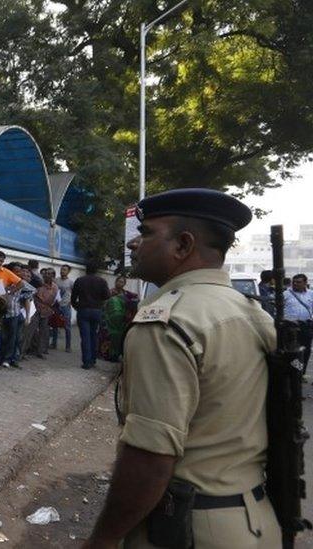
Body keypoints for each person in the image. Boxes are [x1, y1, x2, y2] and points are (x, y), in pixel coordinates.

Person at [84, 188, 280, 549]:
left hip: (187, 530)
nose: (133, 245)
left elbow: (149, 460)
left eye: (146, 234)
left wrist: (103, 539)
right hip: (256, 522)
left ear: (182, 245)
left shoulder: (165, 323)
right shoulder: (250, 310)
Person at [71, 263, 110, 369]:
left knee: (85, 337)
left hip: (83, 310)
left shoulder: (79, 280)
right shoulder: (102, 281)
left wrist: (77, 307)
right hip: (97, 311)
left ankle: (87, 362)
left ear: (86, 270)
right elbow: (107, 296)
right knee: (94, 336)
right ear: (96, 270)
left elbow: (73, 297)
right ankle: (93, 359)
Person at [1, 263, 35, 369]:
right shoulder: (5, 281)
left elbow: (28, 299)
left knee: (14, 338)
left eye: (19, 271)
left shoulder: (22, 284)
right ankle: (2, 358)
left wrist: (28, 317)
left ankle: (10, 359)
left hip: (15, 314)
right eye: (16, 271)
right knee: (3, 337)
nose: (18, 273)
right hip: (2, 314)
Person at [100, 276, 139, 362]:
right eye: (118, 281)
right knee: (107, 337)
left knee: (118, 337)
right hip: (108, 319)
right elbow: (103, 303)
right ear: (115, 282)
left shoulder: (126, 294)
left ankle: (116, 355)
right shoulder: (109, 292)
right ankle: (106, 354)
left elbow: (135, 298)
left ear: (124, 284)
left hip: (121, 321)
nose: (120, 283)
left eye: (122, 282)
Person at [284, 273, 313, 371]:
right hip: (290, 327)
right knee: (291, 350)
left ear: (305, 283)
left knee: (306, 350)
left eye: (298, 282)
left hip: (306, 326)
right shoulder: (286, 294)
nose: (295, 284)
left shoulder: (311, 294)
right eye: (294, 282)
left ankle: (301, 372)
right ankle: (294, 371)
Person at [31, 268, 60, 359]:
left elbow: (56, 299)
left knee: (44, 332)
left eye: (49, 274)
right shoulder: (39, 284)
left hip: (47, 311)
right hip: (36, 309)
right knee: (31, 330)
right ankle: (24, 351)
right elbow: (33, 295)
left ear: (53, 276)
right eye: (45, 273)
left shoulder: (55, 287)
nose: (46, 275)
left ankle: (40, 351)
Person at [51, 264, 74, 351]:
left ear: (68, 271)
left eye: (64, 270)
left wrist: (71, 303)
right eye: (61, 269)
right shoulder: (56, 280)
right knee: (55, 325)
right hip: (56, 305)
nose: (62, 271)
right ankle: (54, 344)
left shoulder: (71, 282)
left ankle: (68, 346)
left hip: (66, 306)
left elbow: (74, 294)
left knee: (67, 326)